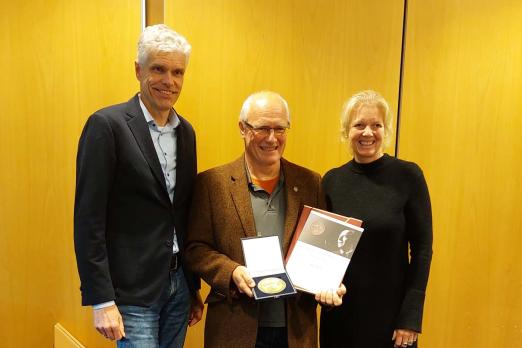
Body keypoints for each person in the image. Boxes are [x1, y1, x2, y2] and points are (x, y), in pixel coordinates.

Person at [74, 24, 203, 347]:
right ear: (138, 69)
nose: (169, 81)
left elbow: (182, 213)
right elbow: (89, 219)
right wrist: (101, 300)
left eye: (178, 72)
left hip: (178, 288)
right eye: (158, 69)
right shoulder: (107, 126)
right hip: (132, 292)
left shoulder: (186, 132)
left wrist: (193, 287)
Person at [184, 91, 345, 348]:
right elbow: (195, 249)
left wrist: (329, 284)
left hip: (295, 330)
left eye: (280, 129)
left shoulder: (310, 183)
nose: (272, 138)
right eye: (262, 128)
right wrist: (231, 271)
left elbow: (320, 250)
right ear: (242, 128)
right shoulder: (212, 183)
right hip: (234, 326)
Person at [320, 90, 433, 348]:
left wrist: (410, 317)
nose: (367, 133)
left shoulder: (408, 176)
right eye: (359, 125)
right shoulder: (331, 181)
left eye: (376, 125)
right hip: (340, 314)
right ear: (346, 131)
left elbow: (423, 250)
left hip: (391, 320)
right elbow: (322, 250)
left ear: (386, 130)